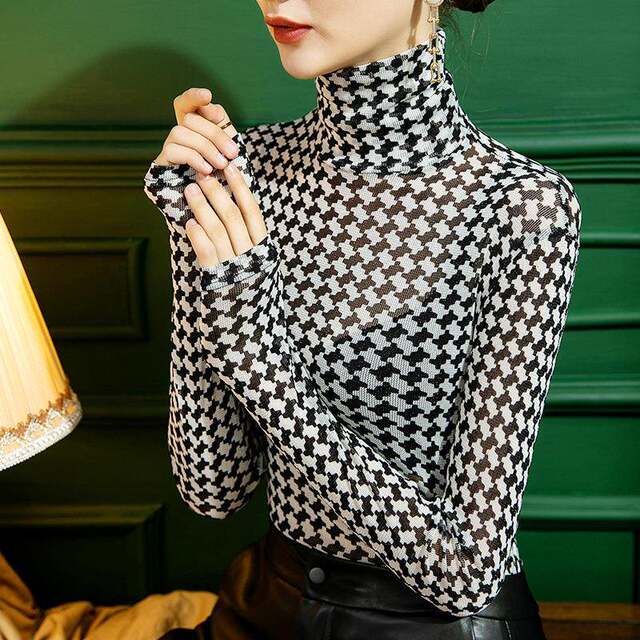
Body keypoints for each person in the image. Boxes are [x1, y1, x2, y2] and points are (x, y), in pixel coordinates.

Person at [143, 0, 582, 638]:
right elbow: (214, 488)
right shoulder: (252, 167)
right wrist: (194, 228)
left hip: (428, 625)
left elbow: (465, 571)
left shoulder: (521, 207)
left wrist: (251, 349)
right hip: (265, 600)